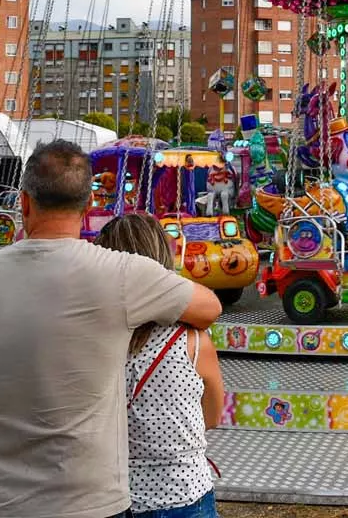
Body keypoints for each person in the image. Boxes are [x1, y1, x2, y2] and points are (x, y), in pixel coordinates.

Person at [0, 141, 222, 518]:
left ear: (24, 203)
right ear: (88, 207)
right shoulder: (120, 274)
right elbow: (210, 307)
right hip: (85, 501)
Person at [98, 213, 225, 518]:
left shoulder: (94, 340)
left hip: (114, 498)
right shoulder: (193, 342)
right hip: (185, 495)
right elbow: (212, 416)